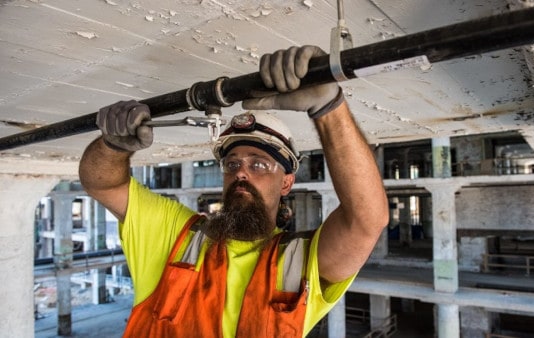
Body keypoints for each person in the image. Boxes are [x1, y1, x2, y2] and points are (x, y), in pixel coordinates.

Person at [79, 45, 389, 337]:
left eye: (259, 165)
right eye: (232, 164)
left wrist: (329, 107)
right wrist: (112, 147)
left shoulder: (300, 263)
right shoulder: (176, 235)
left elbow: (366, 220)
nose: (240, 171)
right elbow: (102, 183)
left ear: (286, 183)